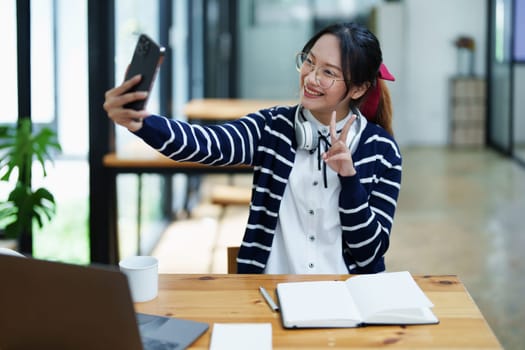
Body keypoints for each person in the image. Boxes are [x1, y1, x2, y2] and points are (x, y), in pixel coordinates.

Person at [104, 22, 402, 274]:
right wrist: (141, 122)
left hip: (347, 302)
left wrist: (349, 180)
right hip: (268, 297)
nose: (310, 78)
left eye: (328, 73)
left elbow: (369, 253)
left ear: (359, 88)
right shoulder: (271, 127)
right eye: (309, 61)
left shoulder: (382, 151)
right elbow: (203, 144)